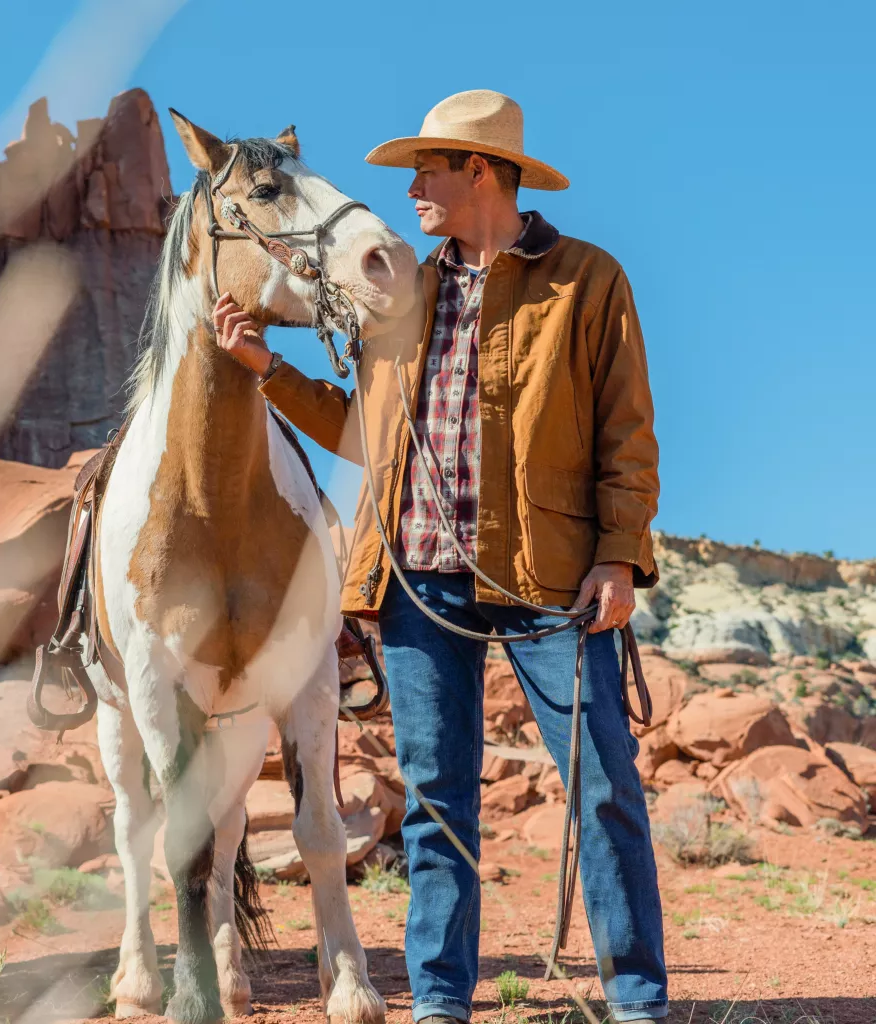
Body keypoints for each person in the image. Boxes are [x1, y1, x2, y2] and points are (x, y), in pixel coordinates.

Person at [213, 89, 667, 1024]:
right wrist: (271, 373)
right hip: (417, 581)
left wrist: (618, 558)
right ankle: (441, 1000)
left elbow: (627, 436)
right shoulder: (402, 294)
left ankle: (636, 1000)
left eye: (427, 169)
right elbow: (365, 431)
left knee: (604, 786)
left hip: (552, 579)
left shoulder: (588, 280)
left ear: (481, 172)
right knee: (435, 800)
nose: (412, 189)